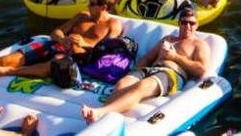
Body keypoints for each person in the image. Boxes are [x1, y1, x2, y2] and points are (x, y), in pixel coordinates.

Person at [81, 8, 210, 124]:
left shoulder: (199, 44)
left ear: (197, 25)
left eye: (191, 23)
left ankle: (100, 113)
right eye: (184, 22)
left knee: (141, 86)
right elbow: (148, 57)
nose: (187, 26)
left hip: (171, 74)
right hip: (150, 69)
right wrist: (134, 72)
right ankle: (99, 121)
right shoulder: (168, 39)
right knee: (122, 84)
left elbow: (201, 70)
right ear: (179, 23)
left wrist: (175, 57)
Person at [0, 0, 122, 78]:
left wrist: (84, 44)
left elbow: (107, 51)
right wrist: (62, 38)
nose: (88, 6)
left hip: (77, 55)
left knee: (50, 67)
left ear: (103, 7)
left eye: (92, 4)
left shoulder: (113, 24)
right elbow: (55, 32)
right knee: (9, 59)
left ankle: (7, 72)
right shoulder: (82, 16)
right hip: (56, 45)